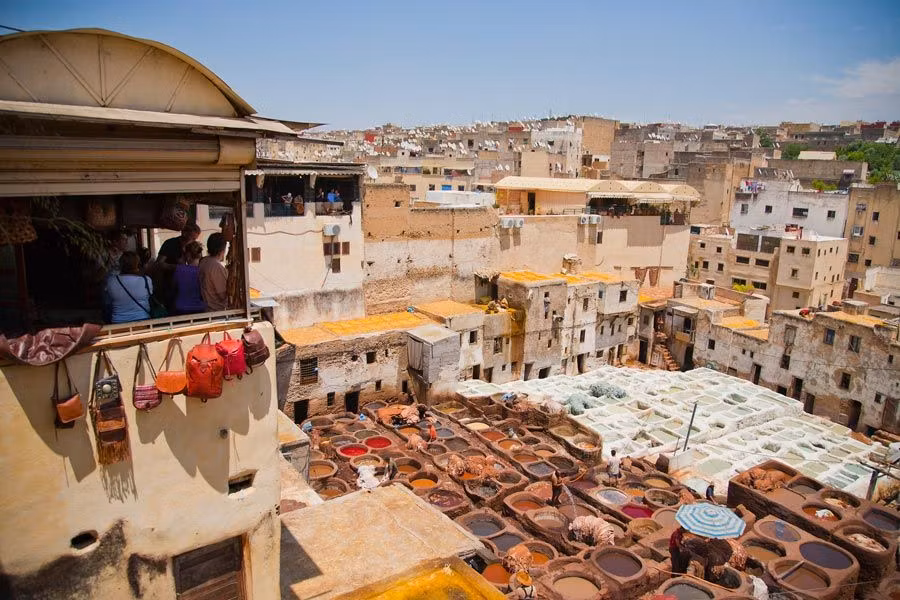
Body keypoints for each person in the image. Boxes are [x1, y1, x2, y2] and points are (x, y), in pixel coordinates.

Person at [105, 252, 153, 324]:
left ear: (120, 264)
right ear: (138, 264)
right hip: (142, 319)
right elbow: (149, 295)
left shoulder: (111, 281)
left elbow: (108, 300)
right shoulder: (146, 280)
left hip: (118, 321)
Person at [173, 241, 205, 315]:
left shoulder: (179, 269)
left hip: (181, 308)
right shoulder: (203, 270)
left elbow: (173, 287)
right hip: (199, 308)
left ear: (187, 255)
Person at [199, 232, 228, 311]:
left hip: (207, 308)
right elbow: (222, 295)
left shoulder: (203, 261)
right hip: (217, 311)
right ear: (223, 249)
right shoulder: (216, 267)